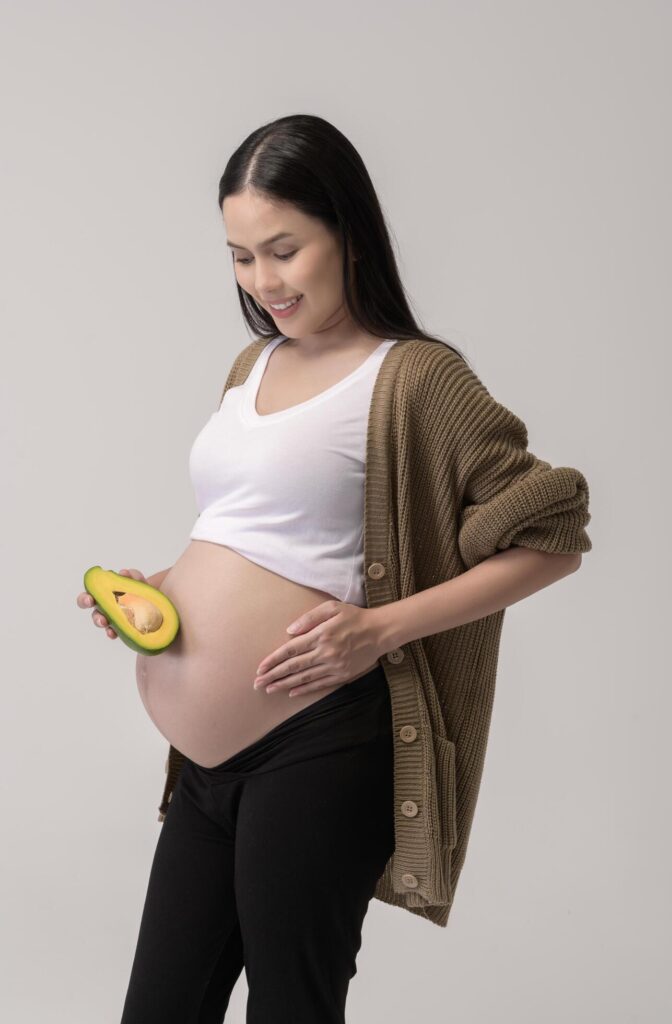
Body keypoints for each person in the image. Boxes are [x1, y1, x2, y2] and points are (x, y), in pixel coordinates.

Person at [77, 114, 592, 1023]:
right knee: (158, 1008)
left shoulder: (417, 379)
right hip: (203, 768)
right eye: (239, 256)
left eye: (283, 249)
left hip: (317, 745)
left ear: (348, 235)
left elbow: (551, 532)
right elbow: (256, 531)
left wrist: (377, 630)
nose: (261, 280)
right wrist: (162, 587)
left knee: (292, 1008)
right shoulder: (252, 365)